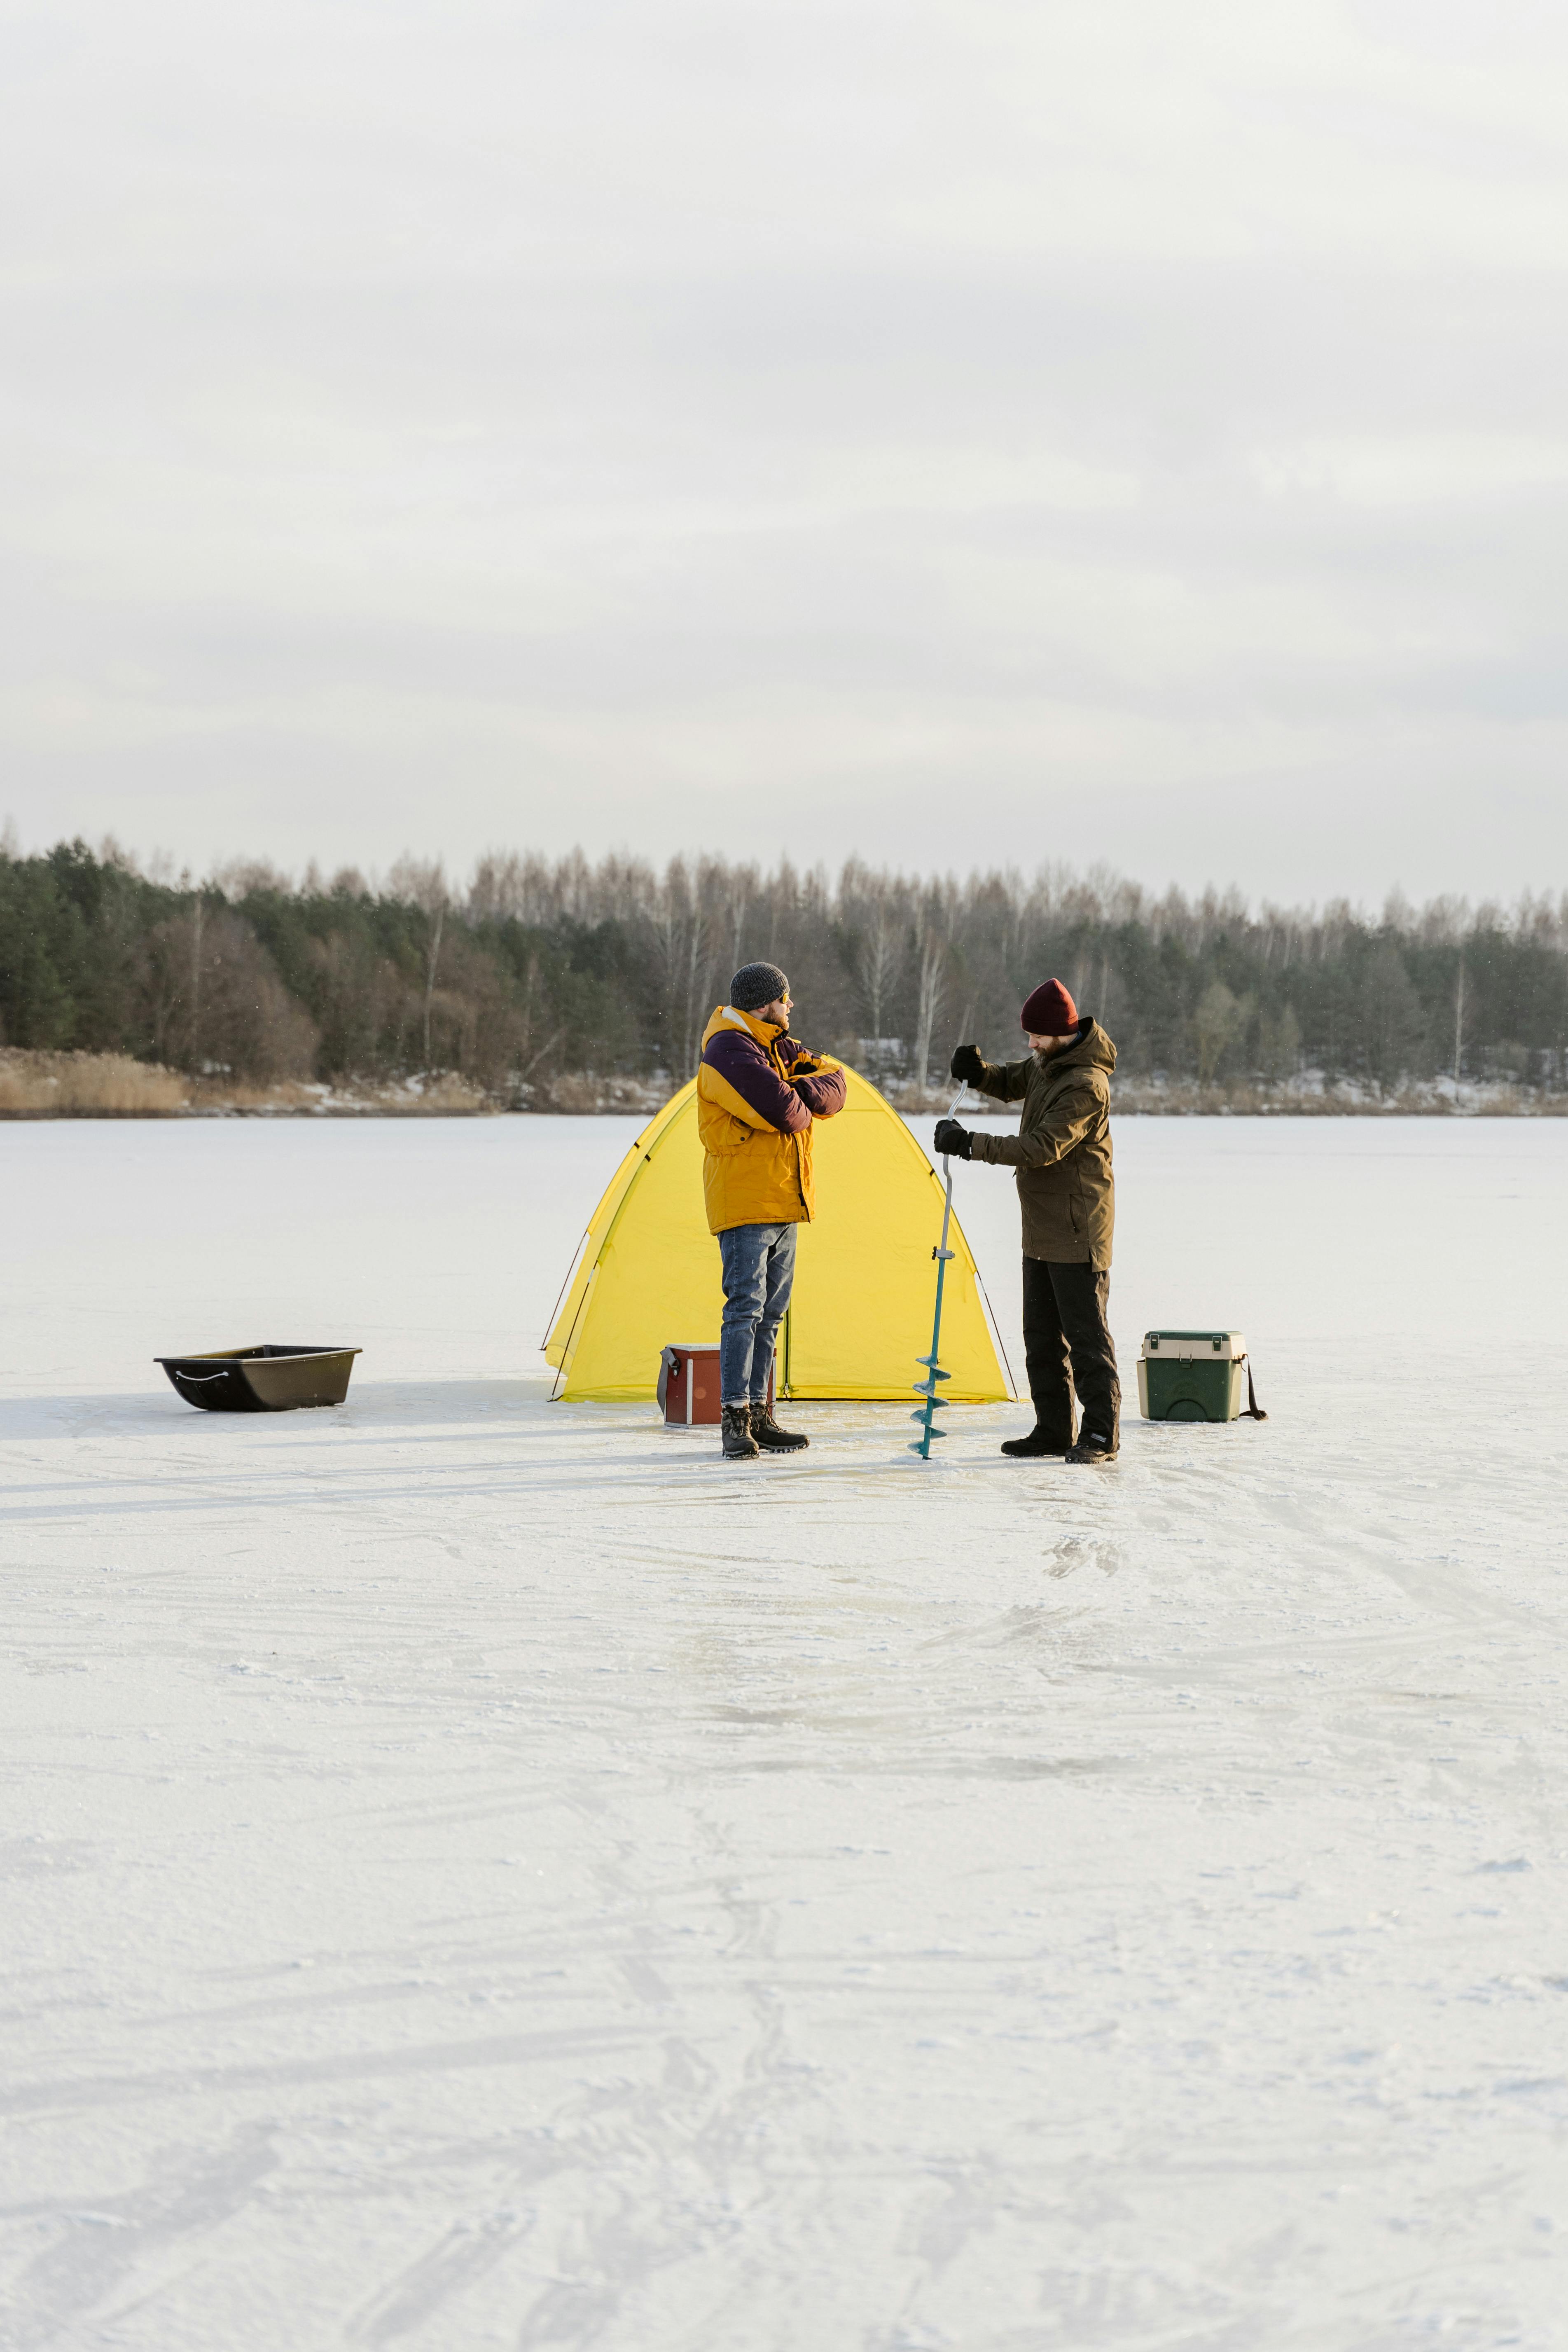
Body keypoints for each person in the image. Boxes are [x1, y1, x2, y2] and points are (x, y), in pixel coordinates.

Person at [934, 978, 1120, 1464]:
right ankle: (1054, 1429)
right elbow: (1015, 1079)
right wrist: (978, 1074)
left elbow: (1041, 1149)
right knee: (1040, 1337)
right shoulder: (1049, 1063)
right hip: (1041, 1226)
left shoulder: (1085, 1084)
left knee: (1086, 1340)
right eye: (1028, 1036)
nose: (1031, 1044)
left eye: (1037, 1036)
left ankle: (1102, 1435)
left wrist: (968, 1143)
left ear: (1062, 1032)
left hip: (1078, 1230)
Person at [696, 961, 847, 1460]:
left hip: (784, 1197)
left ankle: (762, 1416)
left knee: (772, 1315)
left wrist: (797, 1092)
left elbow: (836, 1082)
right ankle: (735, 1419)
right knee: (745, 1309)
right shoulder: (728, 1049)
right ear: (766, 1003)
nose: (792, 1007)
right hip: (745, 1201)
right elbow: (779, 1111)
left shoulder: (777, 1047)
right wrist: (799, 1100)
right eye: (786, 998)